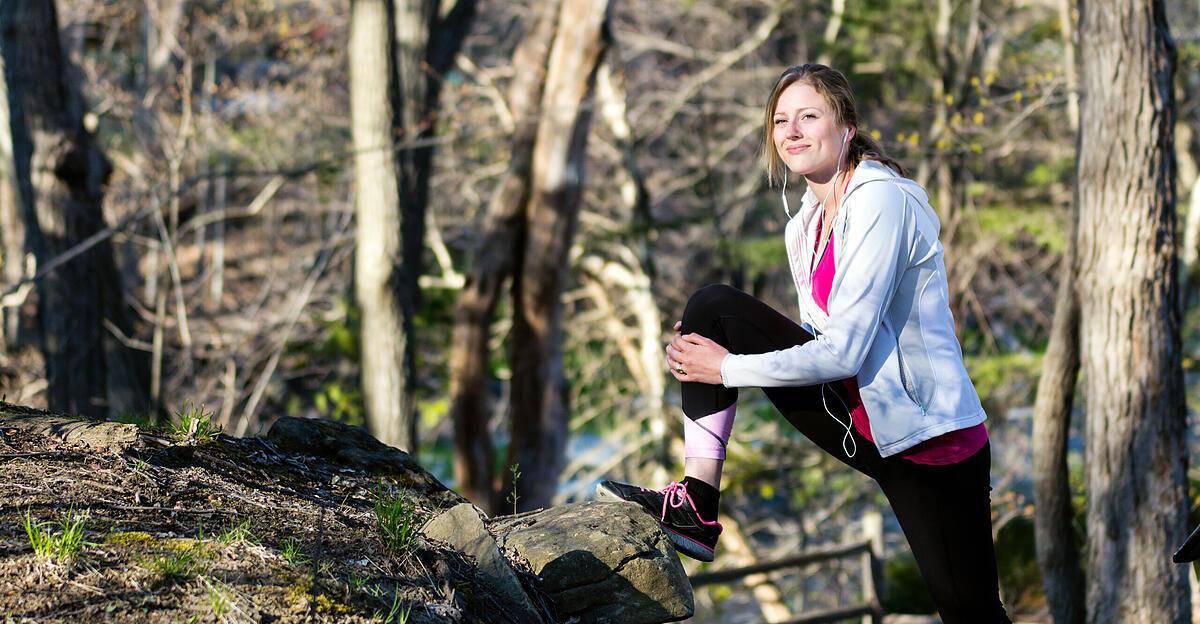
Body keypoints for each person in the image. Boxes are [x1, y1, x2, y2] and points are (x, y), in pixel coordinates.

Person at [597, 63, 1012, 622]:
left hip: (930, 443)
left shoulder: (882, 201)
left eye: (808, 116)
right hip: (855, 419)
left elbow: (845, 351)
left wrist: (726, 369)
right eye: (780, 120)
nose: (791, 131)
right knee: (711, 311)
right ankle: (697, 504)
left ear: (846, 126)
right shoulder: (804, 227)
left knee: (970, 613)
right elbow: (822, 341)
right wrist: (708, 358)